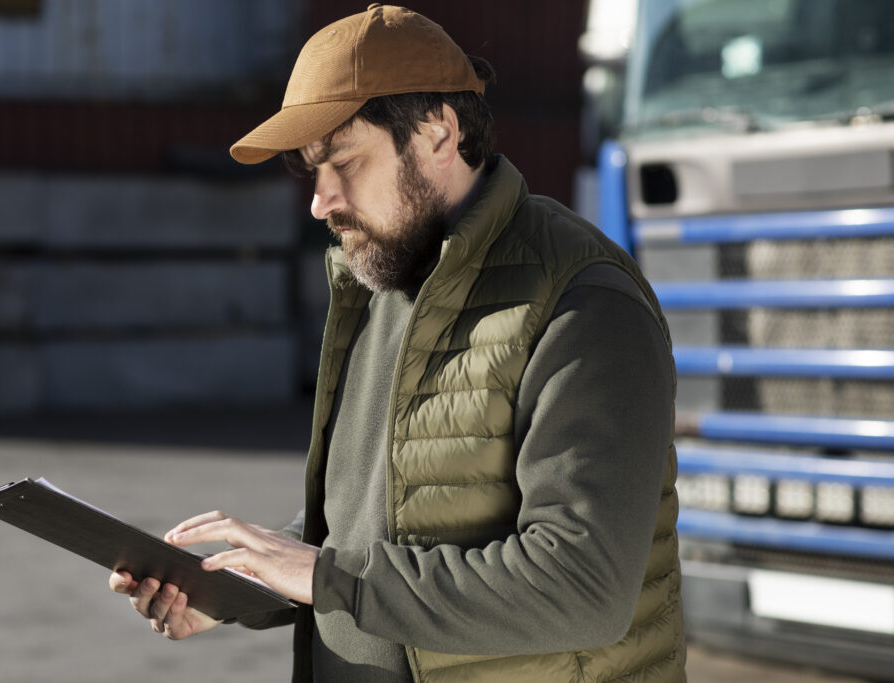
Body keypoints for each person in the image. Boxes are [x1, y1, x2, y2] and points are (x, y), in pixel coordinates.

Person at [109, 4, 686, 681]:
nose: (320, 202)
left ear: (438, 133)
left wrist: (327, 574)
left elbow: (581, 586)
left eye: (343, 162)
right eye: (310, 171)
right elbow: (362, 536)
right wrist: (235, 587)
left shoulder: (582, 303)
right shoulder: (378, 285)